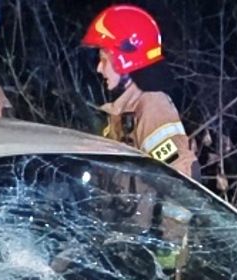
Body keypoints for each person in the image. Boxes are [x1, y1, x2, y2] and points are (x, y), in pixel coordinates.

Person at [82, 5, 197, 178]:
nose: (99, 69)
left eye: (104, 60)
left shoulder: (152, 106)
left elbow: (181, 177)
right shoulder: (126, 109)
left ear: (125, 61)